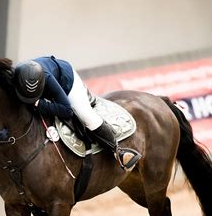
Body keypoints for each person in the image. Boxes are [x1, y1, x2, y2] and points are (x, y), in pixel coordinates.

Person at [12, 56, 141, 170]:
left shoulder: (49, 79)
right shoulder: (15, 77)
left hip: (66, 79)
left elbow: (67, 111)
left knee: (86, 116)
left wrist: (40, 104)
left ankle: (118, 151)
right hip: (35, 80)